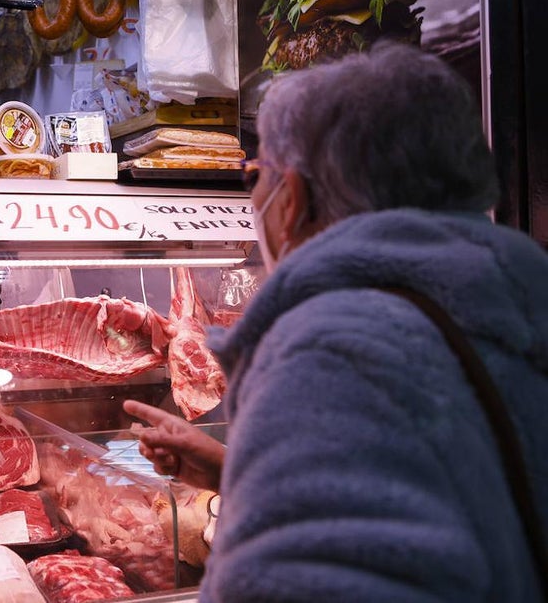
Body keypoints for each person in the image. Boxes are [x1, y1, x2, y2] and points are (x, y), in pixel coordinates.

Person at [125, 42, 547, 602]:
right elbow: (460, 497)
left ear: (292, 197)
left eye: (256, 176)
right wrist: (240, 475)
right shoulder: (510, 307)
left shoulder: (334, 351)